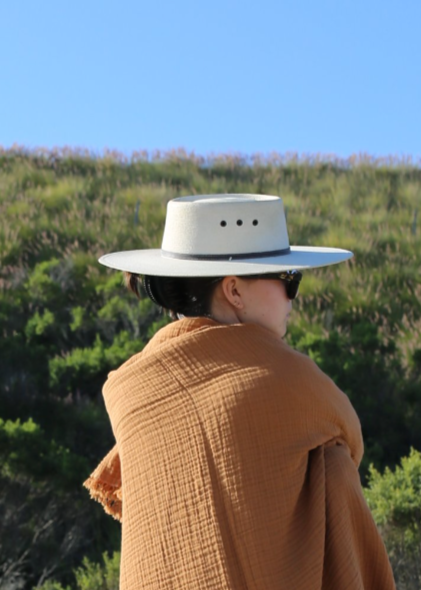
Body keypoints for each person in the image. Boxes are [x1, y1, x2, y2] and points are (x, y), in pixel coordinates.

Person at [84, 194, 395, 589]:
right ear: (234, 291)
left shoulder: (132, 389)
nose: (292, 297)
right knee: (331, 465)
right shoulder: (285, 375)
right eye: (288, 279)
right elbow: (350, 439)